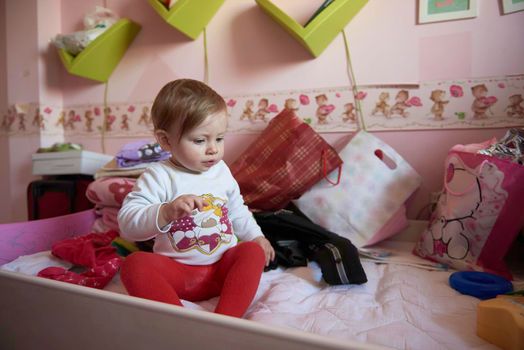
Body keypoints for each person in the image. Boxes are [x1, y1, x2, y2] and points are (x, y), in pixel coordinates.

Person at [118, 79, 275, 318]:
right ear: (166, 140)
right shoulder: (159, 176)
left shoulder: (221, 170)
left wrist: (257, 236)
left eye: (219, 138)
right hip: (179, 274)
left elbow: (237, 210)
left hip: (221, 271)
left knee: (251, 251)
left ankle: (226, 320)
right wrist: (165, 212)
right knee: (134, 265)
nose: (212, 148)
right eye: (200, 140)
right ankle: (181, 323)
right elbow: (128, 225)